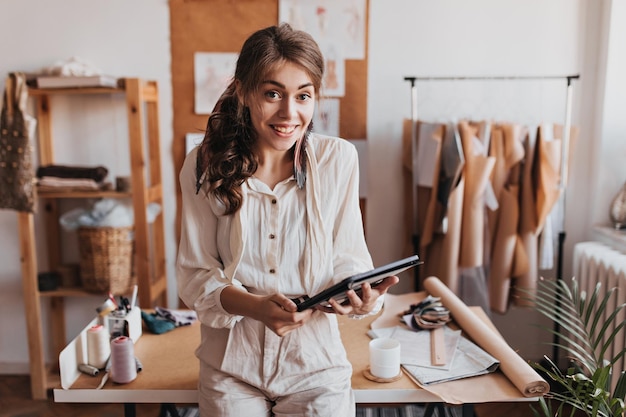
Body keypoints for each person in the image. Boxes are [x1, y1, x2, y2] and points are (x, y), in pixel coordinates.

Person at [176, 23, 399, 417]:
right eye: (273, 93)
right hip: (231, 364)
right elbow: (196, 275)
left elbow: (348, 256)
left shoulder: (338, 160)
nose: (289, 113)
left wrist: (361, 296)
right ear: (244, 91)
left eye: (304, 96)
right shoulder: (203, 164)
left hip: (315, 364)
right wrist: (256, 306)